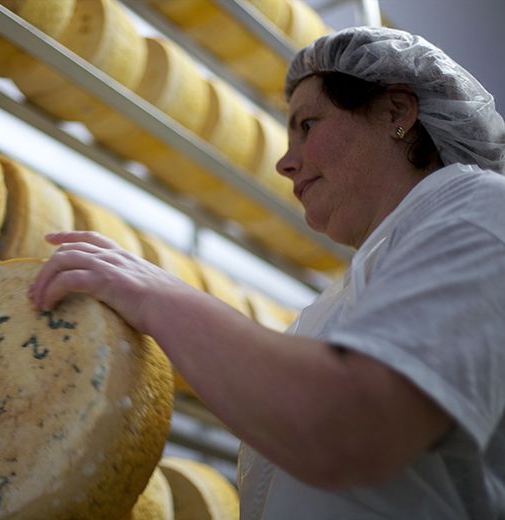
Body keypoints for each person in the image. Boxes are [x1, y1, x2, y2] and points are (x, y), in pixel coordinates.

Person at [29, 26, 505, 519]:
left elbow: (348, 427)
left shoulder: (484, 212)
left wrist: (155, 296)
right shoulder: (331, 310)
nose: (285, 162)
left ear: (395, 113)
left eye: (308, 125)